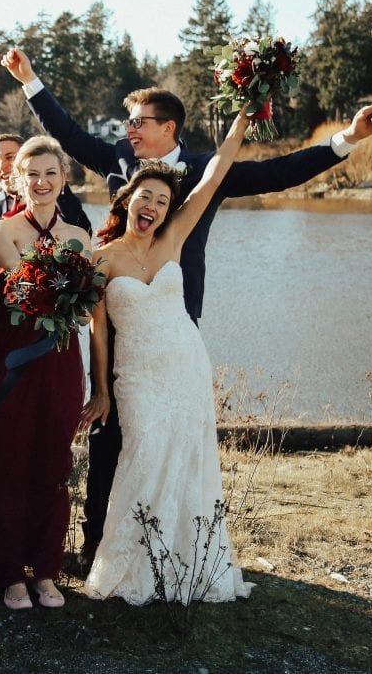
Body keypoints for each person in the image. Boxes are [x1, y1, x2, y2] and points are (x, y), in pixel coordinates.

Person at [2, 47, 372, 569]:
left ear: (170, 127)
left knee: (167, 432)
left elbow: (282, 171)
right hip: (115, 309)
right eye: (128, 122)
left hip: (170, 318)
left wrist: (349, 139)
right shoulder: (119, 158)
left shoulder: (210, 169)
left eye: (139, 123)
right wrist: (30, 81)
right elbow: (69, 135)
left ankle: (168, 546)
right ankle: (98, 545)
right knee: (108, 429)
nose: (129, 130)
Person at [81, 111, 254, 604]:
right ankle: (128, 565)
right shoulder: (102, 259)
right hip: (135, 374)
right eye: (145, 197)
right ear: (127, 199)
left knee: (188, 458)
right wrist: (101, 390)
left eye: (162, 200)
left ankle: (183, 564)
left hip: (186, 363)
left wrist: (242, 116)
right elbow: (97, 333)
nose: (153, 206)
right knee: (143, 456)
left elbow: (214, 174)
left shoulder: (173, 240)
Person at [0, 136, 94, 610]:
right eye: (31, 173)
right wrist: (67, 294)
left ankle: (46, 569)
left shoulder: (80, 237)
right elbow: (22, 297)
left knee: (52, 461)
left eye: (50, 173)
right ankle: (10, 571)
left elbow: (83, 307)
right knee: (10, 459)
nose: (41, 181)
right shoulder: (1, 232)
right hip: (15, 357)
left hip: (59, 356)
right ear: (17, 178)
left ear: (63, 178)